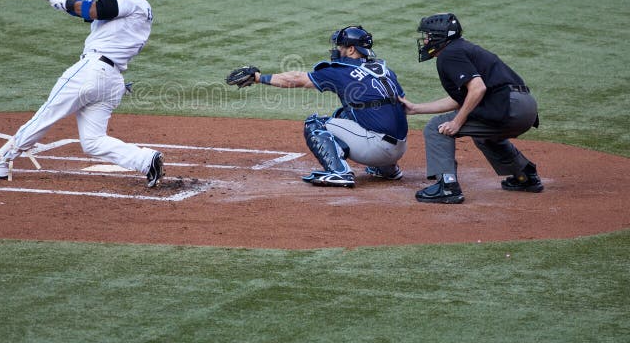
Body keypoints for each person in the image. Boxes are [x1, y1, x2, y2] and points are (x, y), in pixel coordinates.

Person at [0, 0, 165, 188]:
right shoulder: (138, 10)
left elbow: (95, 9)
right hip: (111, 81)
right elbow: (87, 8)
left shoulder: (132, 1)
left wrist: (61, 2)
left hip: (91, 71)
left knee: (46, 115)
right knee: (93, 142)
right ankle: (145, 160)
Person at [226, 26, 408, 188]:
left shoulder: (341, 71)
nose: (337, 50)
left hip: (376, 149)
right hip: (399, 148)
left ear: (351, 49)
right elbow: (402, 105)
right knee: (346, 114)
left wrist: (259, 78)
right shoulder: (383, 69)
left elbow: (296, 79)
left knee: (314, 124)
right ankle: (388, 169)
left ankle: (338, 171)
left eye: (340, 46)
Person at [400, 13, 542, 204]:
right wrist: (417, 108)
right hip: (525, 107)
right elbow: (464, 99)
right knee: (484, 136)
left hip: (507, 106)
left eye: (428, 35)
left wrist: (456, 123)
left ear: (439, 37)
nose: (425, 40)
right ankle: (524, 175)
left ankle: (447, 186)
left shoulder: (449, 54)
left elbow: (477, 88)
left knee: (437, 128)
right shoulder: (461, 49)